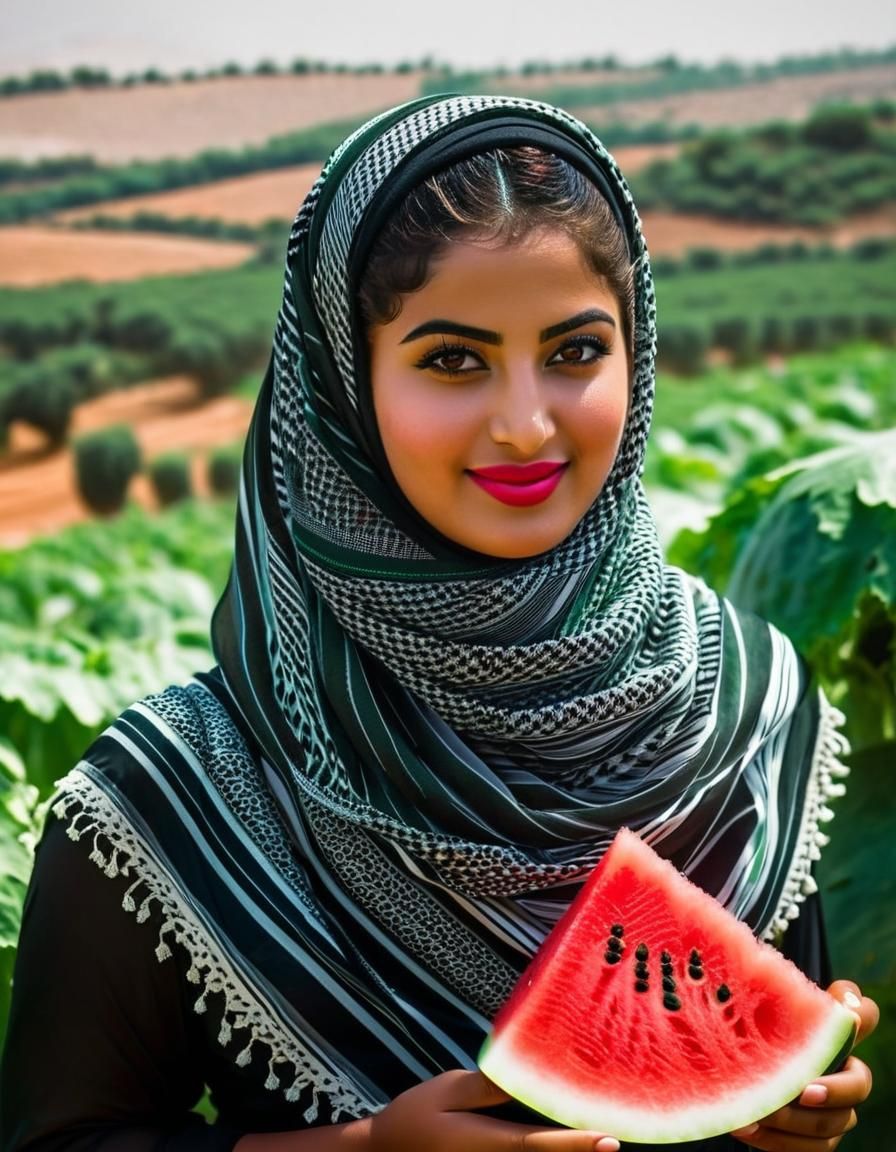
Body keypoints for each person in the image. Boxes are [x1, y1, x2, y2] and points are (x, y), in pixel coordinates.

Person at [0, 94, 877, 1152]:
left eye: (575, 351)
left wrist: (789, 1096)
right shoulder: (177, 788)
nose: (526, 424)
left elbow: (748, 1052)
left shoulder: (747, 698)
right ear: (341, 384)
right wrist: (361, 1151)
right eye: (453, 360)